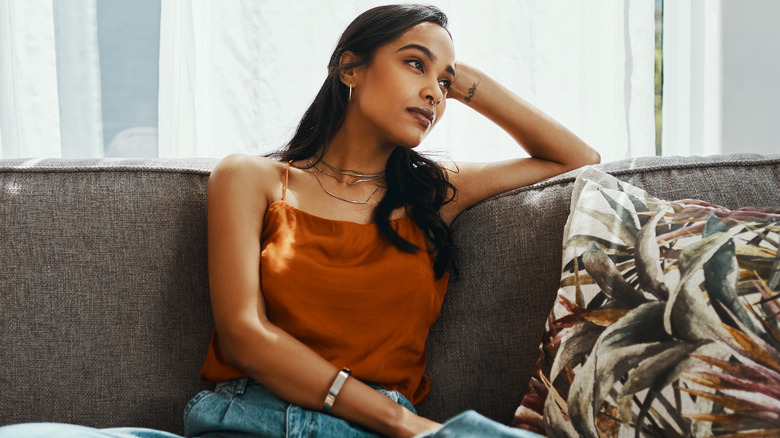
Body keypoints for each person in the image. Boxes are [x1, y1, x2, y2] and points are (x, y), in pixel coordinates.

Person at [0, 4, 599, 438]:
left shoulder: (433, 193)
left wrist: (467, 82)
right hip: (247, 418)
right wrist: (402, 423)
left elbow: (576, 158)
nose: (434, 94)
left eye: (443, 83)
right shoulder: (252, 179)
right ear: (349, 68)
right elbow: (244, 335)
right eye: (414, 65)